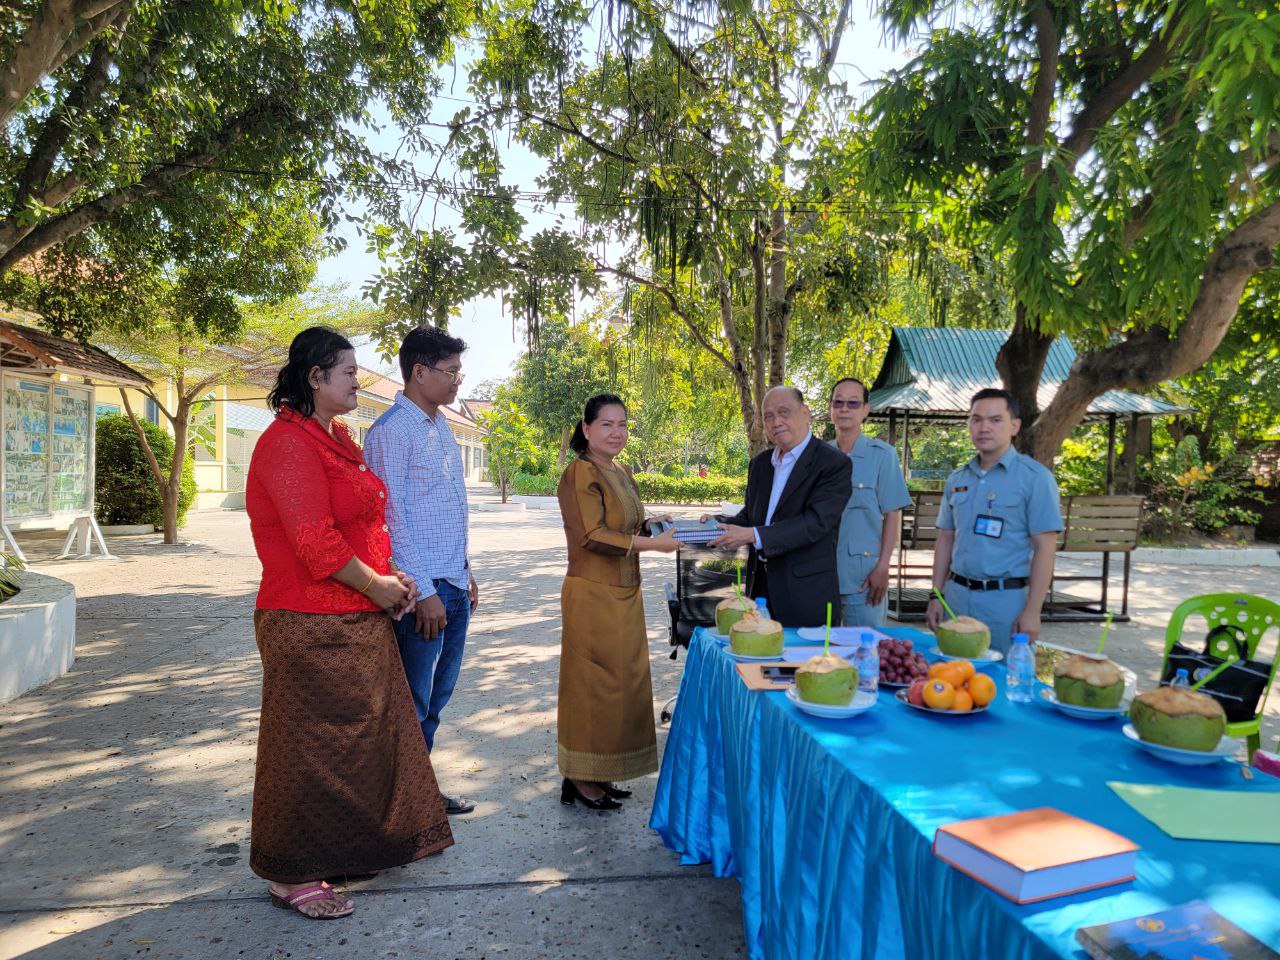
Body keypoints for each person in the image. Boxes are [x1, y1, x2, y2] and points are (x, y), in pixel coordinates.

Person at [245, 327, 452, 919]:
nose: (359, 382)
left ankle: (348, 848)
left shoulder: (334, 437)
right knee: (308, 749)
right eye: (349, 373)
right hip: (306, 621)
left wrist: (391, 579)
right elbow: (315, 543)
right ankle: (291, 872)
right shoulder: (287, 444)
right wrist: (379, 584)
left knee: (359, 746)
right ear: (315, 378)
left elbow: (365, 521)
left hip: (356, 616)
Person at [365, 325, 478, 817]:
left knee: (437, 697)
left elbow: (447, 506)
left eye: (459, 371)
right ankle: (395, 806)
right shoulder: (390, 432)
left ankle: (418, 789)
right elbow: (393, 518)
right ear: (418, 372)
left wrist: (465, 570)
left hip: (452, 582)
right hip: (420, 594)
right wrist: (427, 590)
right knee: (410, 698)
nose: (457, 382)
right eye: (450, 372)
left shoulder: (441, 426)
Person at [556, 393, 680, 810]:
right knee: (593, 686)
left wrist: (655, 526)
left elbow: (625, 521)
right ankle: (579, 777)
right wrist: (653, 545)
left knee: (621, 685)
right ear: (587, 429)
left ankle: (601, 771)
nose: (616, 432)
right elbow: (592, 535)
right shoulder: (580, 472)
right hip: (592, 593)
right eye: (606, 424)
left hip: (625, 592)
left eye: (622, 424)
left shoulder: (621, 470)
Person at [925, 388, 1063, 654]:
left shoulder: (1035, 478)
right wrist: (936, 595)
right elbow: (945, 539)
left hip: (1006, 603)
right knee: (951, 680)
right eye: (976, 419)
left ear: (1014, 426)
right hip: (956, 598)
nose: (984, 427)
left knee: (1001, 684)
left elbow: (1045, 548)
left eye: (995, 420)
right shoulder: (958, 479)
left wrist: (1033, 611)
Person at [708, 386, 852, 627]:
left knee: (803, 665)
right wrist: (718, 523)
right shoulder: (761, 464)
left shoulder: (833, 463)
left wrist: (754, 535)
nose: (776, 422)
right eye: (768, 416)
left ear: (806, 413)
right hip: (760, 591)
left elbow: (815, 523)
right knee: (758, 662)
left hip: (806, 595)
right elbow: (753, 516)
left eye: (784, 412)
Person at [829, 378, 912, 627]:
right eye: (838, 402)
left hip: (863, 576)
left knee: (864, 651)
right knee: (822, 654)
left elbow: (893, 514)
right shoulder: (819, 456)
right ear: (830, 408)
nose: (845, 409)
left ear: (866, 409)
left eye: (853, 403)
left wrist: (883, 566)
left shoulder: (883, 455)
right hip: (823, 574)